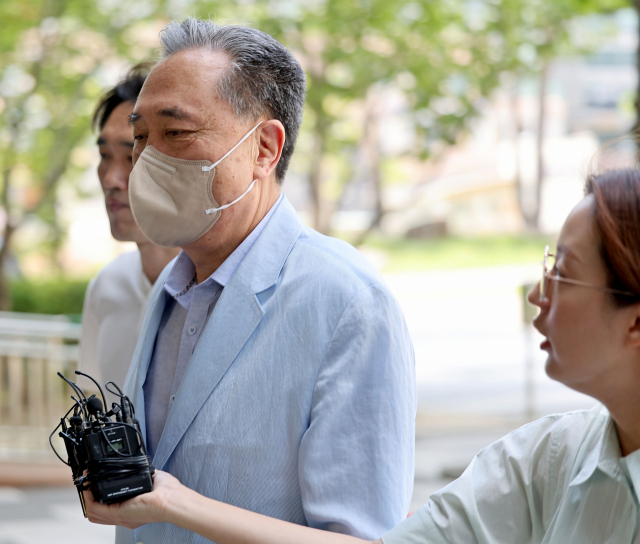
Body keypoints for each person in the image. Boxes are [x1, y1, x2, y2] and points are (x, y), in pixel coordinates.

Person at [87, 167, 640, 544]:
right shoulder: (543, 459)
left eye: (563, 272)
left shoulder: (348, 295)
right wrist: (171, 502)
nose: (537, 293)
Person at [103, 18, 416, 544]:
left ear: (265, 149)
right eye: (140, 138)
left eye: (176, 133)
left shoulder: (347, 304)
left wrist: (184, 507)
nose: (146, 161)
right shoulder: (171, 289)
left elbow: (361, 538)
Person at [79, 65, 179, 390]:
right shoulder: (107, 286)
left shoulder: (214, 287)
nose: (110, 179)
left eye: (131, 154)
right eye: (104, 155)